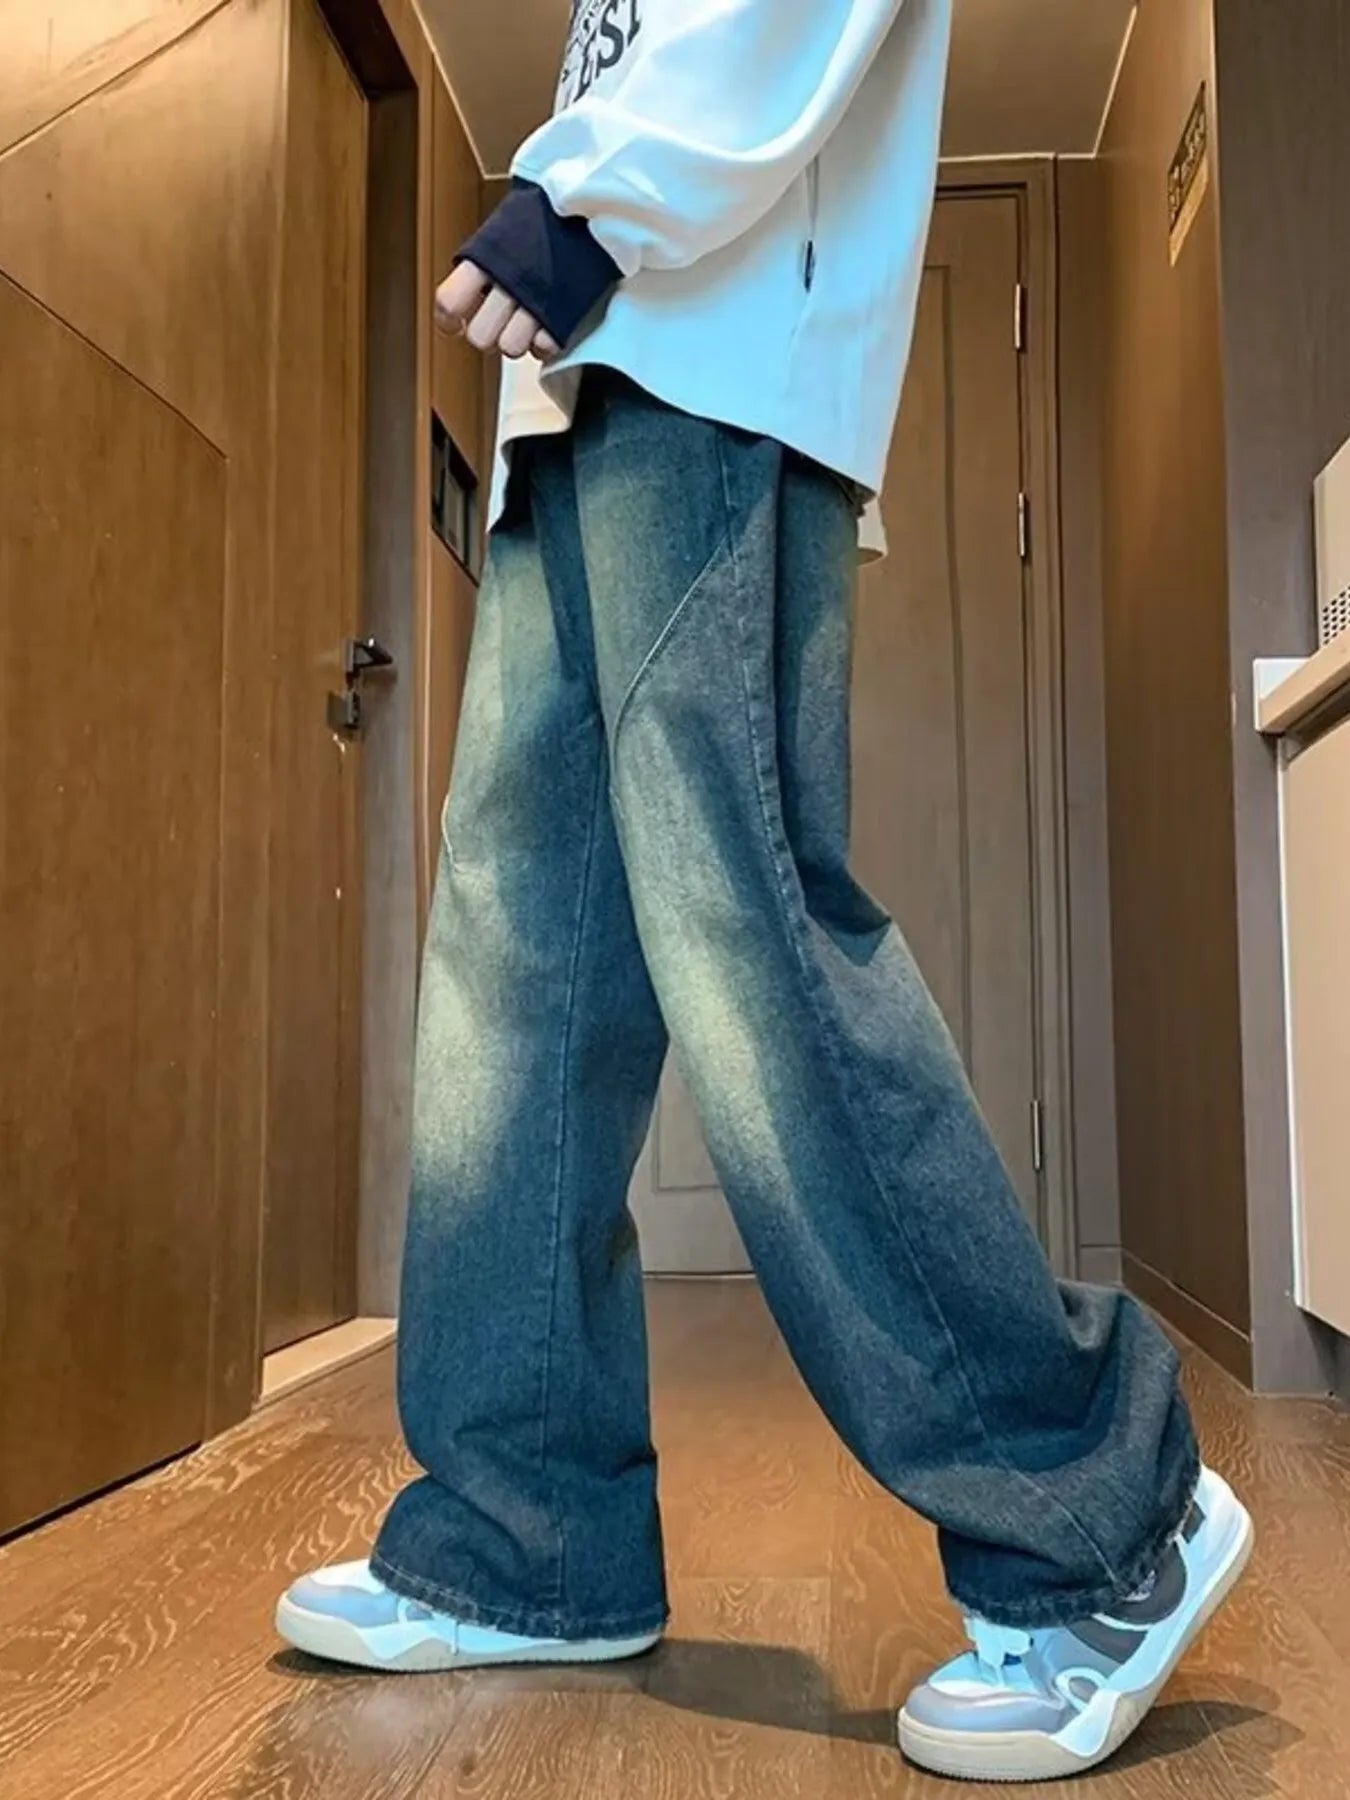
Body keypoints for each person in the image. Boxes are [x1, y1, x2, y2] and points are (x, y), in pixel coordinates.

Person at [275, 0, 1253, 1780]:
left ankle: (1099, 1515)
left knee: (748, 936)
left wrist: (594, 199)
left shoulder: (635, 226)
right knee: (517, 957)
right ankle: (527, 1535)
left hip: (714, 346)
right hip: (582, 386)